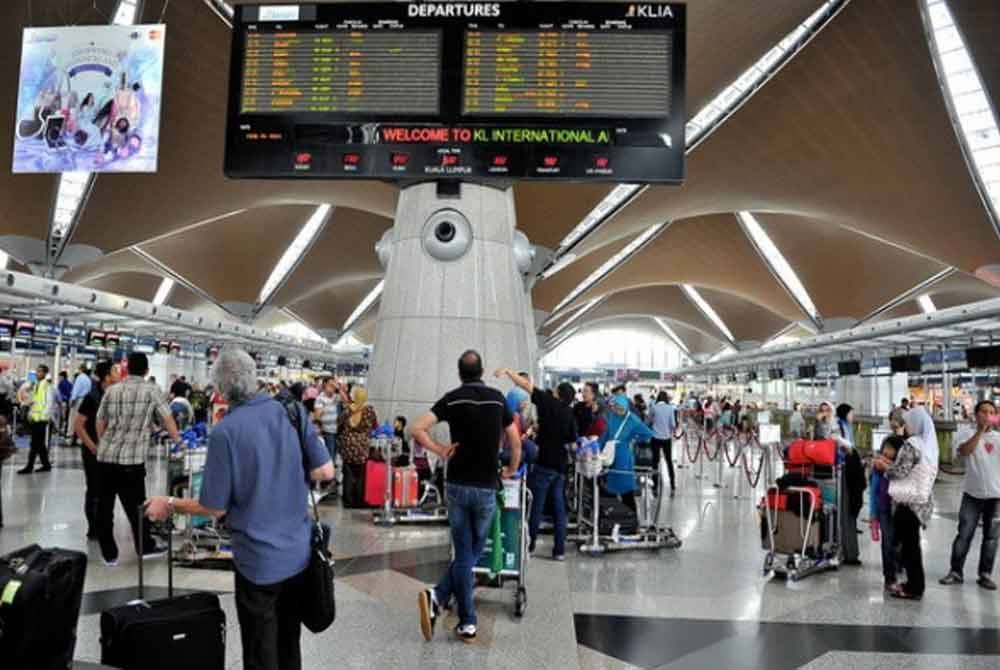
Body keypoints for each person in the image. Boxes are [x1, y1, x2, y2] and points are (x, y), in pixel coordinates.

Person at [146, 348, 334, 670]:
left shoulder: (225, 432)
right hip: (298, 555)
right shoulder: (291, 412)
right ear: (255, 377)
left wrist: (170, 502)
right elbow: (325, 472)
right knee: (289, 642)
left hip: (258, 563)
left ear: (219, 389)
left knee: (261, 650)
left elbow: (213, 508)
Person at [414, 351, 521, 644]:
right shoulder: (498, 399)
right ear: (482, 371)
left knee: (464, 552)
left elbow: (417, 428)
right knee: (469, 552)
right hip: (486, 486)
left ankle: (442, 599)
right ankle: (464, 618)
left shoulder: (452, 398)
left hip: (457, 484)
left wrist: (439, 449)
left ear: (460, 373)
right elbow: (514, 439)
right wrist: (511, 468)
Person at [95, 353, 180, 565]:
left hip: (106, 459)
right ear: (146, 371)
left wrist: (105, 443)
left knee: (104, 508)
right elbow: (167, 417)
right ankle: (145, 547)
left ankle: (109, 555)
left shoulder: (112, 390)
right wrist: (177, 439)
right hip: (131, 463)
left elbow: (100, 421)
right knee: (137, 508)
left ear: (127, 369)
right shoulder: (151, 390)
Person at [499, 369, 577, 561]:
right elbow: (571, 440)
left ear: (558, 394)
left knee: (537, 506)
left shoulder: (549, 402)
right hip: (560, 466)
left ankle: (530, 545)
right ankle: (559, 550)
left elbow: (525, 385)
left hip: (544, 463)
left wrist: (509, 372)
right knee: (560, 509)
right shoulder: (570, 414)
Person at [939, 400, 1000, 590]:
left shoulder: (999, 438)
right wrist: (980, 431)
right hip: (972, 494)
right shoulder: (964, 434)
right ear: (976, 414)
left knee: (991, 537)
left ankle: (985, 573)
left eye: (992, 412)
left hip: (996, 495)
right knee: (964, 534)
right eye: (984, 411)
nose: (987, 415)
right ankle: (956, 571)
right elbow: (965, 451)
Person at [874, 433, 933, 600]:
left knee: (908, 548)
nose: (886, 452)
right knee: (901, 546)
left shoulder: (910, 453)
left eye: (891, 449)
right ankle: (904, 582)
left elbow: (900, 474)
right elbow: (876, 489)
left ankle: (913, 586)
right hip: (896, 508)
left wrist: (886, 467)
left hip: (908, 507)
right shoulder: (920, 446)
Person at [75, 361, 119, 541]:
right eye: (115, 371)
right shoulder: (92, 397)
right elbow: (78, 426)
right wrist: (92, 446)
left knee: (107, 491)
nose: (118, 373)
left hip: (109, 452)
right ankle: (93, 528)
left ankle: (104, 525)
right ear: (107, 376)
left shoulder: (113, 396)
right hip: (93, 452)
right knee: (94, 490)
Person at [601, 394, 656, 516]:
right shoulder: (611, 416)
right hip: (610, 456)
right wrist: (599, 450)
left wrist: (634, 439)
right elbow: (606, 435)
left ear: (626, 408)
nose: (618, 411)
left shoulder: (633, 420)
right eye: (616, 407)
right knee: (609, 490)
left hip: (623, 458)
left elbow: (648, 434)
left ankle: (631, 520)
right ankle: (613, 519)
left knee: (626, 491)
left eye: (621, 409)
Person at [836, 404, 867, 566]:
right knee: (847, 512)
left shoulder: (846, 428)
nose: (853, 416)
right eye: (851, 413)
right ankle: (848, 552)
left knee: (847, 513)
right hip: (845, 472)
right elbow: (845, 449)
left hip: (849, 469)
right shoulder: (839, 427)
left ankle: (848, 551)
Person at [337, 386, 378, 508]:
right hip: (362, 447)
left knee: (348, 474)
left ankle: (348, 501)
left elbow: (338, 424)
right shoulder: (369, 411)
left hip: (348, 446)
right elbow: (375, 426)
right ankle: (359, 500)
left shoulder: (347, 410)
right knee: (360, 475)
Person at [869, 437, 899, 592]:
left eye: (890, 449)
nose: (886, 452)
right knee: (887, 544)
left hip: (900, 509)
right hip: (884, 509)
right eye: (885, 448)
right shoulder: (877, 467)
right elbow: (873, 491)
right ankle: (890, 578)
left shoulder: (901, 467)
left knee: (898, 544)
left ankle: (897, 569)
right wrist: (873, 517)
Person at [18, 364, 56, 474]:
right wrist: (30, 412)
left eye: (40, 371)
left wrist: (44, 416)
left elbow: (49, 403)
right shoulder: (36, 385)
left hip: (41, 420)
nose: (37, 373)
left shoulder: (47, 386)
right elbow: (35, 401)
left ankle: (29, 466)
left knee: (34, 444)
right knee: (39, 444)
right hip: (35, 418)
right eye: (37, 371)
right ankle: (46, 465)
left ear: (45, 373)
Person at [313, 377, 348, 465]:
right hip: (327, 431)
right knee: (330, 455)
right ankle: (328, 476)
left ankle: (330, 473)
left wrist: (339, 388)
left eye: (334, 385)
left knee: (335, 454)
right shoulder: (320, 398)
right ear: (325, 385)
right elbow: (317, 416)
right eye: (331, 384)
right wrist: (319, 431)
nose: (333, 387)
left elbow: (346, 401)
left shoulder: (336, 397)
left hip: (338, 430)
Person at [649, 391, 677, 496]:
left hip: (655, 438)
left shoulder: (654, 407)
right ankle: (673, 485)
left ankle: (655, 487)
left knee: (654, 462)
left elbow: (649, 421)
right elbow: (673, 424)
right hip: (666, 438)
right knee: (669, 461)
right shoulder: (671, 408)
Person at [905, 406, 939, 476]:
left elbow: (902, 469)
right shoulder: (930, 444)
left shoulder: (913, 442)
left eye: (908, 423)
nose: (906, 426)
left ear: (916, 424)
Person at [68, 364, 92, 447]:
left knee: (74, 420)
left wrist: (72, 400)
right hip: (86, 400)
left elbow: (76, 390)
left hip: (78, 400)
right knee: (83, 422)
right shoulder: (88, 379)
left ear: (81, 369)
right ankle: (80, 440)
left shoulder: (80, 377)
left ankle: (72, 439)